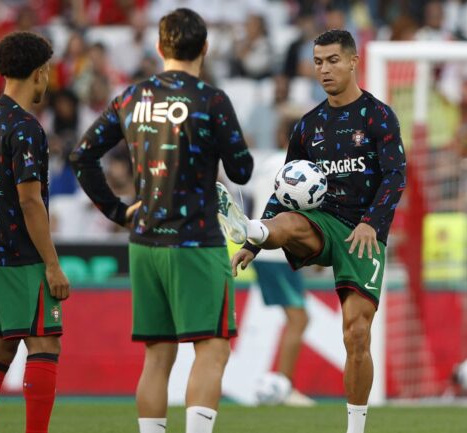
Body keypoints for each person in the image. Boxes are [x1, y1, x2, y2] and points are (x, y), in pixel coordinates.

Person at [69, 8, 253, 433]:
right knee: (212, 348)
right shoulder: (211, 101)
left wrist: (117, 211)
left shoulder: (131, 98)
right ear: (204, 48)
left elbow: (82, 155)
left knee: (157, 355)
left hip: (145, 241)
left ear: (159, 47)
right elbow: (242, 171)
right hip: (196, 242)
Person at [219, 29, 406, 433]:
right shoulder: (308, 126)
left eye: (333, 60)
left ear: (353, 61)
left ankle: (355, 428)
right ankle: (249, 226)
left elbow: (395, 177)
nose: (324, 69)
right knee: (287, 221)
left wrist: (373, 223)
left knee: (356, 335)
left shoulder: (378, 116)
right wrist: (254, 243)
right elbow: (285, 189)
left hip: (364, 234)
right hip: (323, 222)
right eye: (318, 61)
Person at [0, 31, 71, 433]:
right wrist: (53, 264)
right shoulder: (26, 128)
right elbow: (29, 200)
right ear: (39, 72)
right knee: (45, 343)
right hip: (21, 256)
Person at [244, 115, 315, 407]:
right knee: (299, 318)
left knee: (297, 318)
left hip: (266, 248)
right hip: (276, 252)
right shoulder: (294, 170)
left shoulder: (267, 165)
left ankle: (283, 385)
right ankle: (284, 387)